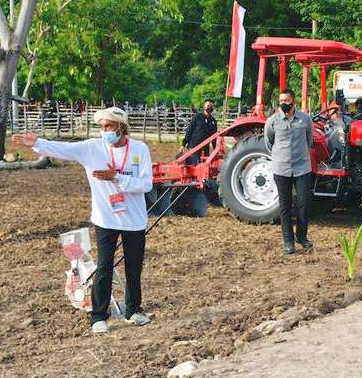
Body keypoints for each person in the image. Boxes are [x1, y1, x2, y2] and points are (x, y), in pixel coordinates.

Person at [12, 107, 153, 334]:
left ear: (121, 127)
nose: (104, 131)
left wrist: (117, 178)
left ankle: (133, 310)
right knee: (105, 266)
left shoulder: (140, 149)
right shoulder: (92, 148)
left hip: (135, 219)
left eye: (109, 126)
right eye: (101, 126)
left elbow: (146, 184)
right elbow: (63, 148)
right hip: (105, 218)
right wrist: (37, 142)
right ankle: (98, 316)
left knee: (134, 268)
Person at [264, 89, 314, 255]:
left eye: (286, 100)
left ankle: (301, 236)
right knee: (285, 205)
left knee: (304, 203)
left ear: (294, 101)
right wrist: (281, 155)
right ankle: (288, 241)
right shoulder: (272, 121)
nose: (283, 103)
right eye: (281, 100)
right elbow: (269, 143)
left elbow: (309, 140)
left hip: (302, 167)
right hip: (282, 168)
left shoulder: (305, 119)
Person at [182, 99, 218, 165]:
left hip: (205, 148)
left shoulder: (213, 121)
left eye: (212, 106)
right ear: (204, 107)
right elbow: (189, 130)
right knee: (193, 166)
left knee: (204, 167)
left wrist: (215, 148)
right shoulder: (197, 117)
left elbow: (214, 136)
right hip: (194, 146)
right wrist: (183, 144)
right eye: (208, 105)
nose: (210, 107)